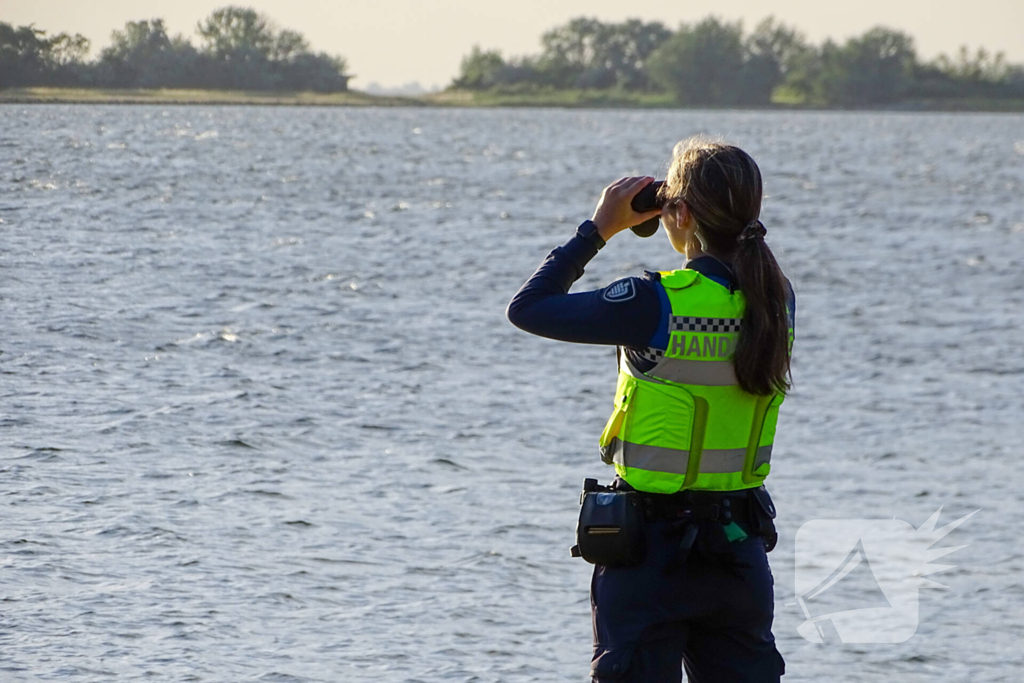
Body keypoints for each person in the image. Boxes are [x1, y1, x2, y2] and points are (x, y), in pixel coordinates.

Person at [506, 137, 794, 682]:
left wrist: (598, 230)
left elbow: (528, 308)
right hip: (739, 550)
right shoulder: (776, 300)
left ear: (679, 212)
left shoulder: (653, 300)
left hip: (649, 557)